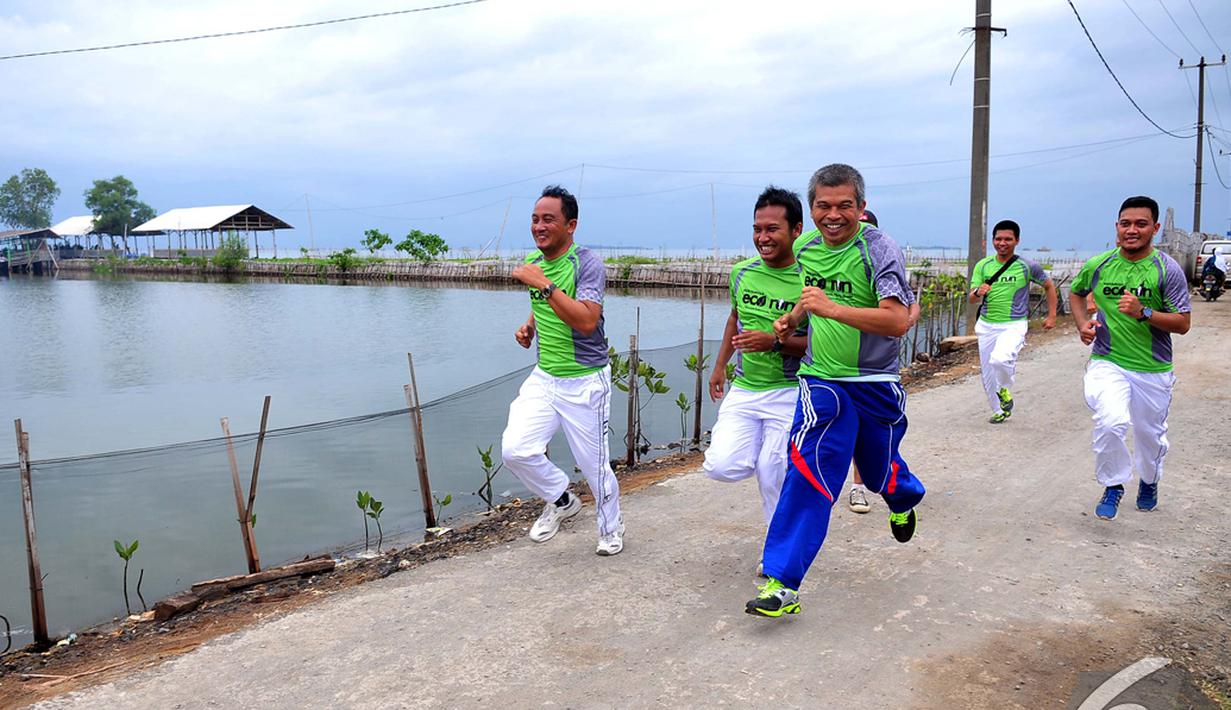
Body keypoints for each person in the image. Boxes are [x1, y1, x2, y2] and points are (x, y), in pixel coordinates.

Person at [746, 164, 926, 618]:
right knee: (808, 468)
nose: (833, 215)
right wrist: (793, 319)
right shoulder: (806, 247)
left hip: (874, 381)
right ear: (811, 210)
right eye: (823, 206)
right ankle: (781, 582)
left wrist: (831, 308)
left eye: (844, 205)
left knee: (879, 467)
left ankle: (902, 498)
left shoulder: (878, 249)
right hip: (820, 380)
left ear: (861, 207)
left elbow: (897, 320)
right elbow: (810, 301)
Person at [501, 185, 624, 555]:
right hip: (545, 377)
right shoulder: (535, 263)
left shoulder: (586, 263)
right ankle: (561, 500)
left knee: (595, 465)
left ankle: (610, 530)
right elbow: (545, 303)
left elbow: (587, 320)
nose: (539, 226)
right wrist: (530, 326)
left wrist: (544, 283)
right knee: (516, 450)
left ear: (570, 225)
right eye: (535, 219)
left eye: (548, 219)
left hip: (585, 379)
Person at [1069, 195, 1191, 520]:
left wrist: (1144, 312)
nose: (1132, 230)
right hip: (1107, 361)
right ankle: (1113, 484)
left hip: (1153, 369)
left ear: (1155, 228)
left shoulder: (1167, 270)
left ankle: (1149, 480)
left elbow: (1183, 323)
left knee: (1149, 436)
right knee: (1111, 421)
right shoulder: (1100, 264)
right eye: (1126, 224)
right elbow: (1077, 293)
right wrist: (1082, 324)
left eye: (1141, 224)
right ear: (1117, 227)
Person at [705, 187, 808, 541]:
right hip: (745, 388)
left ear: (796, 230)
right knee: (720, 465)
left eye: (772, 229)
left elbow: (822, 345)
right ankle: (788, 466)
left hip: (789, 391)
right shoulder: (741, 273)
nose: (762, 238)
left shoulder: (809, 279)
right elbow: (735, 319)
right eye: (757, 229)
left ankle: (777, 548)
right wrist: (719, 366)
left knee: (771, 470)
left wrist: (777, 342)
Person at [846, 208, 920, 514]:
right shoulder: (831, 263)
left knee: (874, 441)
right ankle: (857, 489)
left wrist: (896, 324)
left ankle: (898, 494)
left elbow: (910, 309)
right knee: (843, 433)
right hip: (834, 369)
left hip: (876, 370)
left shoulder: (884, 265)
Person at [968, 220, 1057, 424]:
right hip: (987, 324)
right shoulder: (983, 265)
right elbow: (972, 298)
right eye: (998, 239)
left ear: (1016, 240)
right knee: (988, 373)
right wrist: (977, 291)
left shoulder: (1027, 266)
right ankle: (999, 410)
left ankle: (1005, 389)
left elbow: (1049, 286)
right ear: (993, 241)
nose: (1002, 243)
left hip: (1013, 324)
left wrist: (1051, 315)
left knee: (1000, 359)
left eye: (1008, 239)